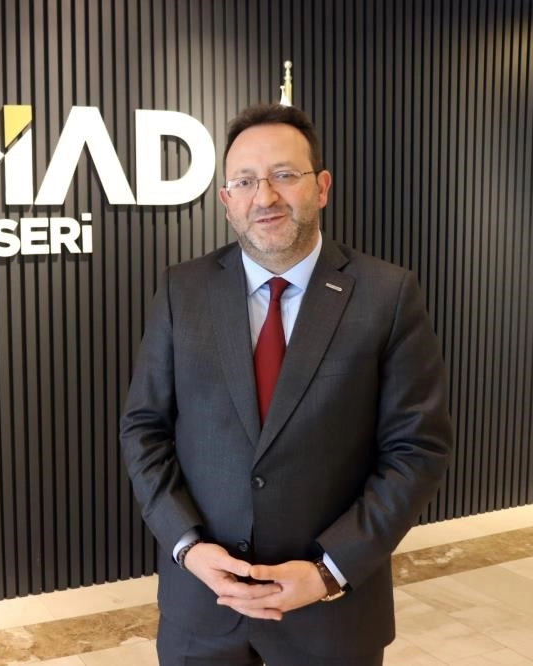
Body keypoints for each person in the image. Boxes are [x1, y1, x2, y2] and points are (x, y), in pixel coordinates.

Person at [119, 104, 453, 665]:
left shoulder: (388, 295)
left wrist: (329, 570)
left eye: (284, 174)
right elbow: (144, 429)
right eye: (245, 181)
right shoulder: (183, 291)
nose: (265, 197)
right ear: (227, 201)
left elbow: (416, 450)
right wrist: (187, 547)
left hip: (332, 619)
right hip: (203, 613)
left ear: (321, 187)